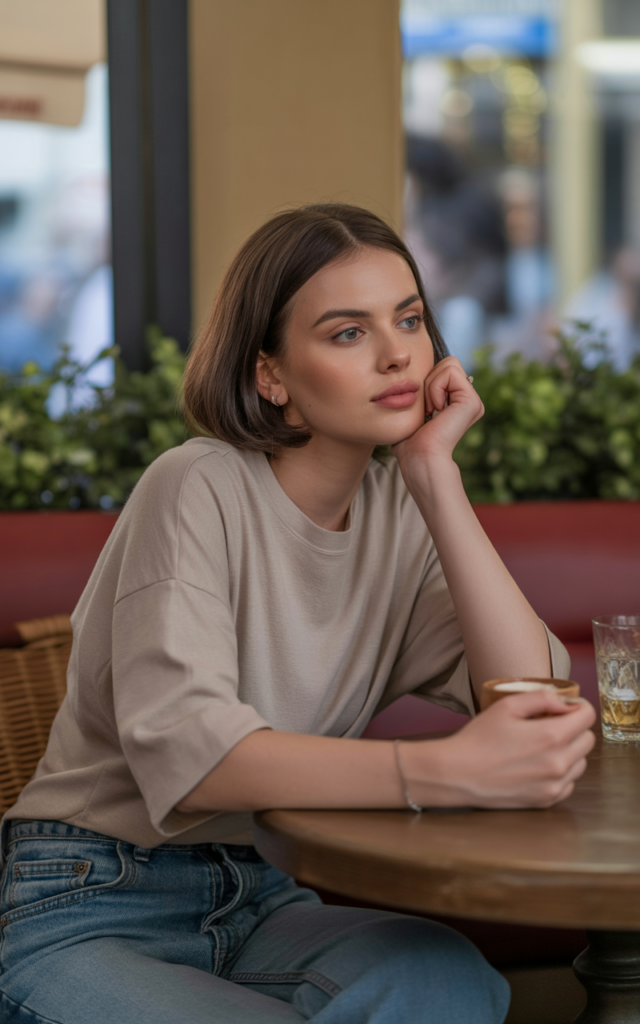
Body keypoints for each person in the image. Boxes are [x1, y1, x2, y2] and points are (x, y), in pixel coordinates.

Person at [0, 204, 595, 1024]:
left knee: (445, 982)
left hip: (264, 897)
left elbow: (534, 693)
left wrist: (435, 477)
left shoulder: (401, 513)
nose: (396, 353)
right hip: (87, 901)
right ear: (271, 375)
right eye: (348, 333)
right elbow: (197, 758)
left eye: (410, 320)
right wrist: (440, 770)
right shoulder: (195, 484)